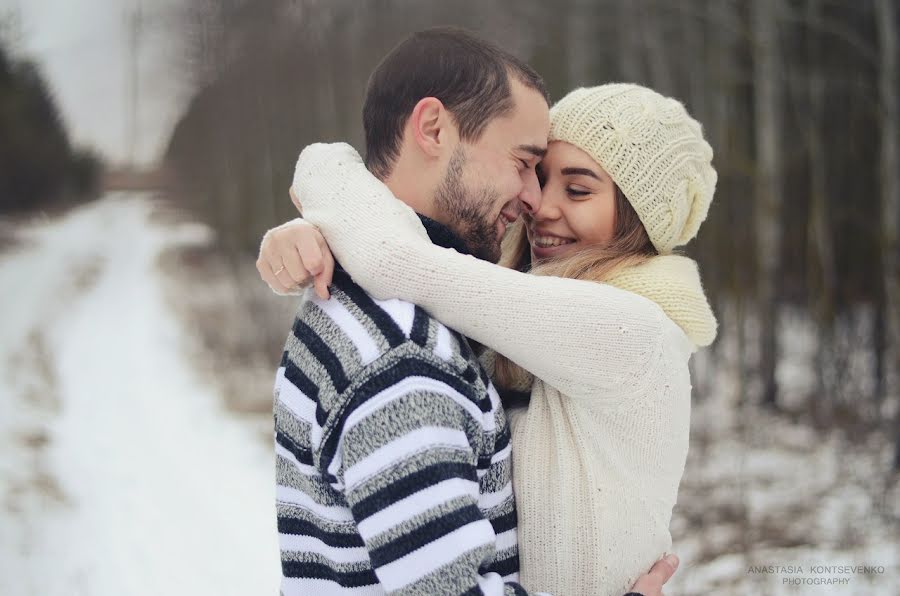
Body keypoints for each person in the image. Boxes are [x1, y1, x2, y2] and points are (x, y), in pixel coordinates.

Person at [259, 27, 678, 596]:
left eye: (572, 188)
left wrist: (323, 189)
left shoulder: (390, 310)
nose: (535, 202)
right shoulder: (404, 354)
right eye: (525, 163)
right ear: (432, 128)